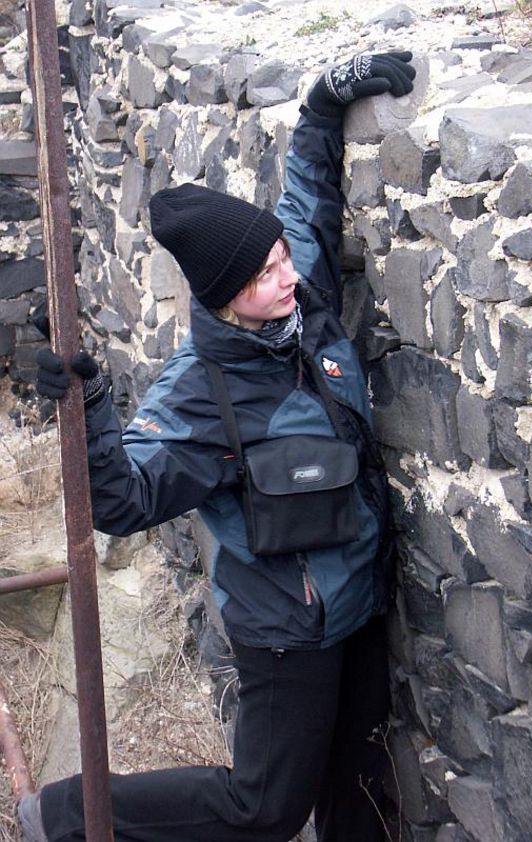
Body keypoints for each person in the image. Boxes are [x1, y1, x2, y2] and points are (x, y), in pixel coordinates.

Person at [24, 50, 416, 842]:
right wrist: (87, 407)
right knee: (264, 808)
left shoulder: (300, 295)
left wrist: (323, 102)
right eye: (266, 273)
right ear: (226, 298)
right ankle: (63, 814)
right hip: (287, 632)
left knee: (360, 791)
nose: (288, 275)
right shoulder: (200, 394)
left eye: (283, 257)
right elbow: (123, 500)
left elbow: (306, 196)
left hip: (362, 600)